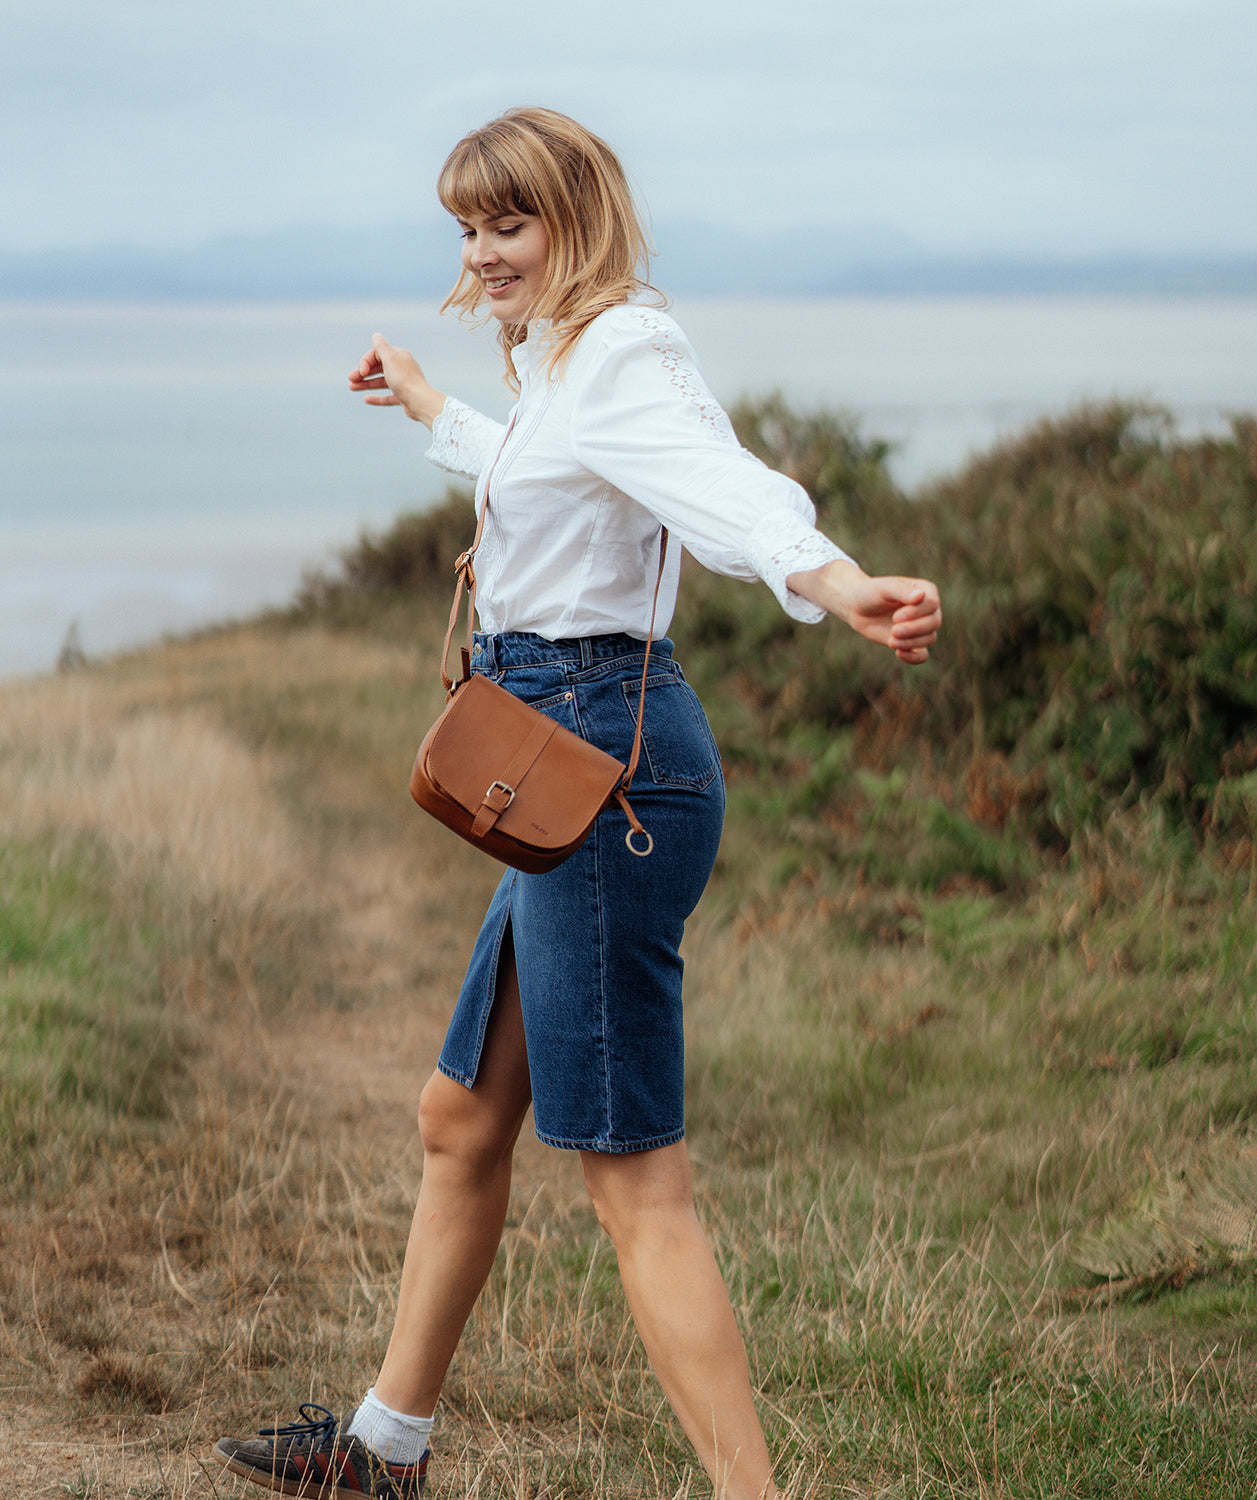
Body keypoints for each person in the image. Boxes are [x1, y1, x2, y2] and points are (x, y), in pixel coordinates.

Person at [213, 106, 941, 1500]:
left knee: (632, 1177)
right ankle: (386, 1449)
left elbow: (721, 488)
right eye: (469, 228)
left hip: (603, 770)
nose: (484, 252)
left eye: (511, 223)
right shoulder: (563, 360)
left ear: (577, 215)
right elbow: (543, 481)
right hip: (562, 752)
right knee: (461, 1115)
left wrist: (833, 581)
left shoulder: (624, 351)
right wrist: (433, 406)